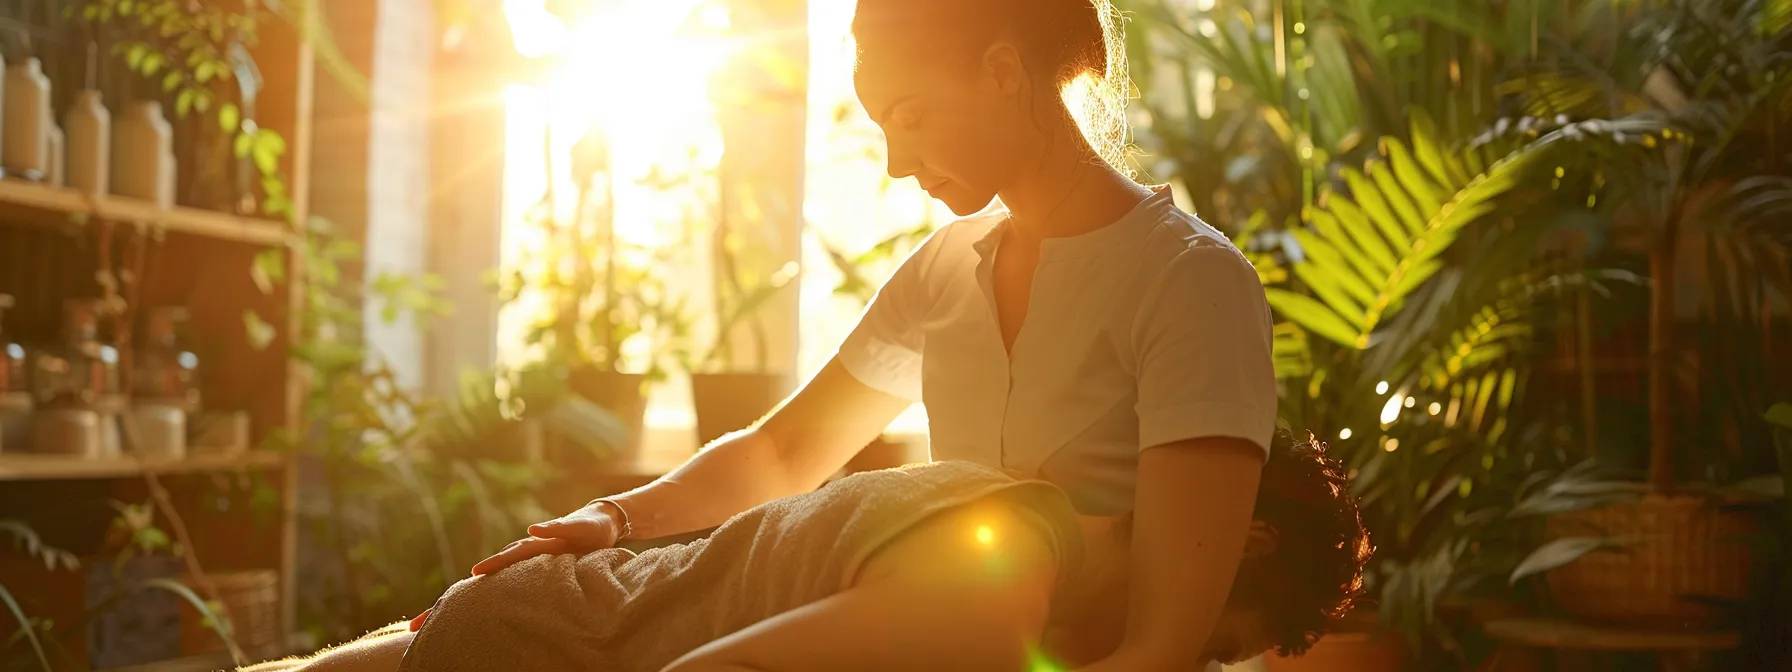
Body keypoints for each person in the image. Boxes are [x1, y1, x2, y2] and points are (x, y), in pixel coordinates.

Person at [459, 1, 1279, 668]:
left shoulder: (1191, 281)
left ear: (1002, 71)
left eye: (910, 115)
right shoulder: (948, 268)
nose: (893, 162)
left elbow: (1160, 649)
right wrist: (615, 518)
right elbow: (783, 453)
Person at [240, 432, 1368, 671]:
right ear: (1239, 546)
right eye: (1222, 651)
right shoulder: (992, 598)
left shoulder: (1018, 497)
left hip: (537, 614)